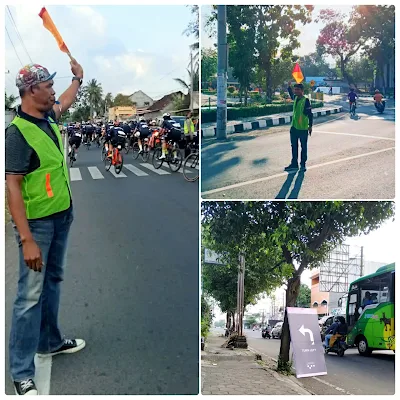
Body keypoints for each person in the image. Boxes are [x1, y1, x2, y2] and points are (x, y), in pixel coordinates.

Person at [5, 60, 85, 396]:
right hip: (37, 226)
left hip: (61, 216)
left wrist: (77, 79)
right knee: (29, 297)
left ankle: (49, 341)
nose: (53, 89)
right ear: (30, 90)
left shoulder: (48, 116)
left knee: (53, 281)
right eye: (48, 85)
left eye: (53, 84)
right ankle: (21, 372)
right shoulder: (17, 133)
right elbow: (12, 187)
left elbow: (64, 101)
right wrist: (26, 239)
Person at [284, 82, 313, 172]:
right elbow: (291, 94)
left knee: (303, 147)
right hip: (294, 127)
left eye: (298, 90)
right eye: (295, 89)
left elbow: (310, 114)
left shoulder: (306, 100)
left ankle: (303, 164)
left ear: (302, 91)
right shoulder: (296, 98)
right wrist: (288, 87)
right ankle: (294, 164)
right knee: (294, 146)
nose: (296, 91)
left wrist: (310, 126)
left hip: (303, 128)